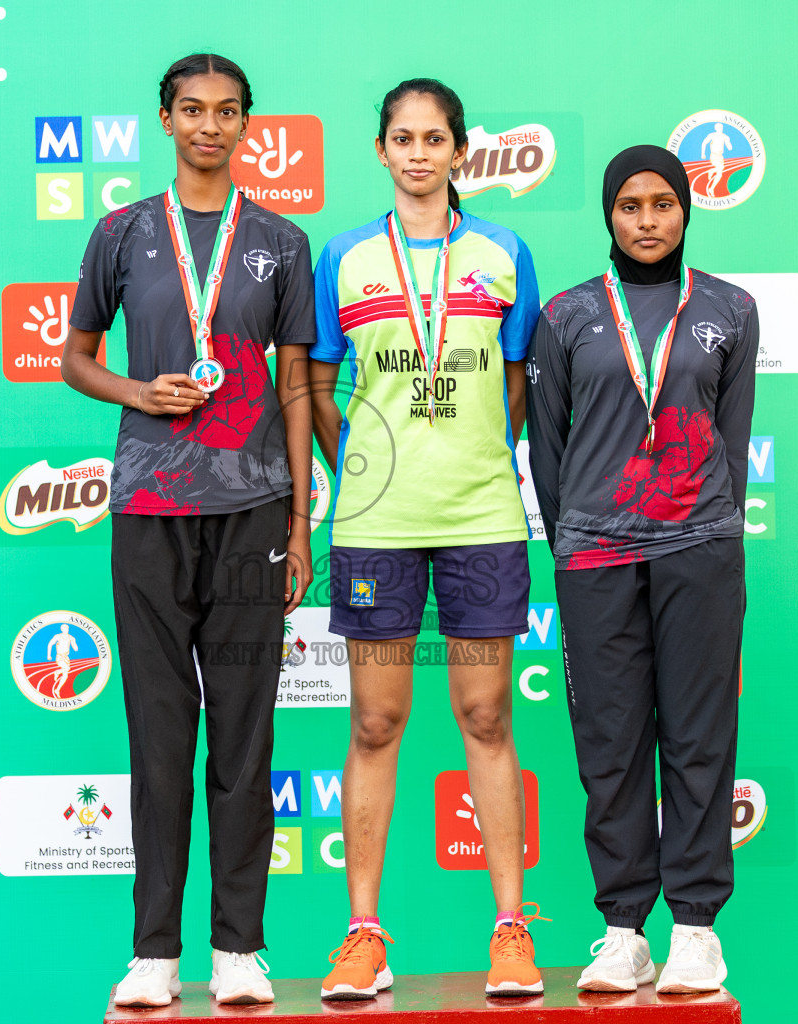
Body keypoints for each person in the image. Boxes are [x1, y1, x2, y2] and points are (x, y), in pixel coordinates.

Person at [60, 52, 316, 1009]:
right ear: (163, 119)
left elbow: (296, 385)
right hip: (149, 508)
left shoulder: (282, 244)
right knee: (159, 732)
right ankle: (155, 954)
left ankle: (240, 949)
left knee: (247, 733)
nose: (211, 125)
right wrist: (138, 391)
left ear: (248, 123)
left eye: (228, 112)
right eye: (193, 110)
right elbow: (75, 359)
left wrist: (296, 520)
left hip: (251, 508)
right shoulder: (122, 233)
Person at [309, 78, 544, 1000]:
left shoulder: (502, 252)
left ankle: (512, 931)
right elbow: (320, 387)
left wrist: (481, 458)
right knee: (375, 723)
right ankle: (364, 936)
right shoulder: (347, 258)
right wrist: (366, 469)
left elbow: (517, 383)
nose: (417, 152)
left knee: (486, 718)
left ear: (459, 151)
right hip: (378, 529)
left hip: (482, 519)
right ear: (380, 150)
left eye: (434, 137)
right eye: (401, 137)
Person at [526, 145, 756, 996]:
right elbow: (546, 445)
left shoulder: (730, 309)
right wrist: (575, 538)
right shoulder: (569, 314)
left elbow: (730, 440)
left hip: (699, 546)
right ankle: (623, 928)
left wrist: (706, 525)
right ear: (608, 214)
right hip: (594, 552)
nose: (648, 219)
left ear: (687, 210)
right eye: (630, 205)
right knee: (611, 742)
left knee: (698, 738)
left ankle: (695, 928)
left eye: (663, 203)